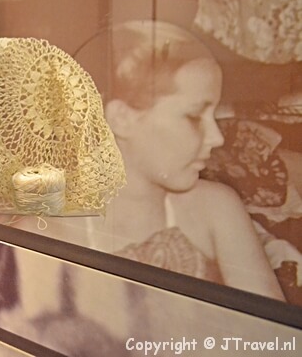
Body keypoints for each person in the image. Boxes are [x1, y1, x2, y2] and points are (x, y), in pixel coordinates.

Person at [22, 20, 284, 299]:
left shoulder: (217, 209)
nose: (217, 137)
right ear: (122, 118)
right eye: (194, 116)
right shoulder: (43, 234)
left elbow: (268, 325)